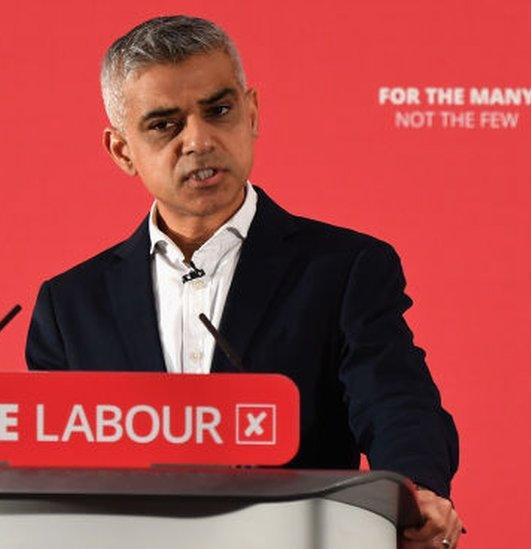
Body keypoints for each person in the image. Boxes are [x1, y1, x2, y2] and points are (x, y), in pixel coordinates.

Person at [26, 15, 462, 548]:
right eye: (165, 124)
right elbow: (50, 473)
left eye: (219, 110)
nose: (199, 140)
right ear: (122, 151)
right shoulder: (70, 307)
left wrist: (414, 494)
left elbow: (395, 400)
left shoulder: (345, 269)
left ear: (251, 113)